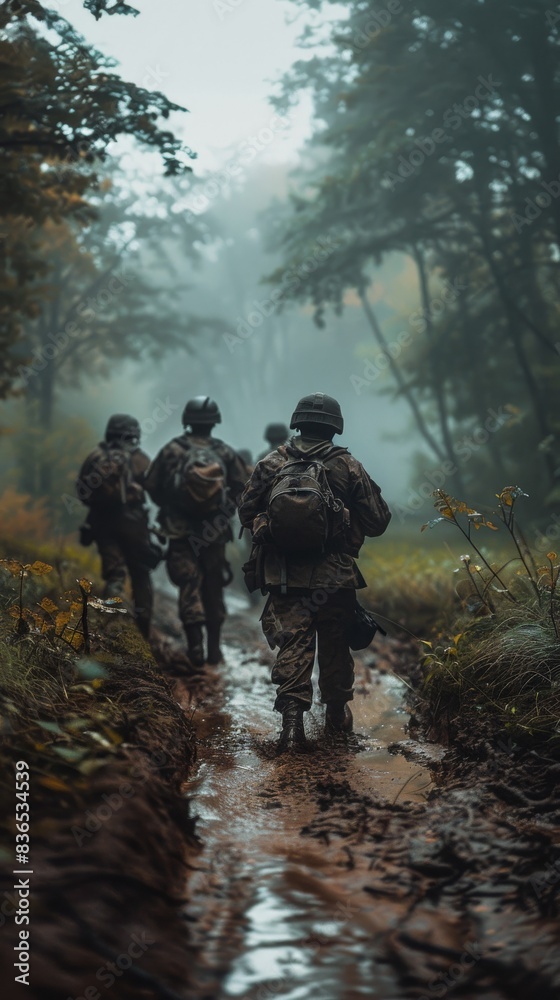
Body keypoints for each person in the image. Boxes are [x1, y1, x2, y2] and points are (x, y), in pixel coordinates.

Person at [238, 392, 391, 752]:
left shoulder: (272, 462)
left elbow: (245, 511)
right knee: (335, 645)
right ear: (335, 427)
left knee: (293, 644)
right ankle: (337, 714)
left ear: (297, 422)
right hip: (334, 576)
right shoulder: (348, 465)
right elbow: (379, 521)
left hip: (285, 575)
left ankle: (292, 726)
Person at [144, 396, 247, 667]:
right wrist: (224, 512)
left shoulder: (172, 450)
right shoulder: (224, 452)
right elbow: (243, 487)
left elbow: (151, 485)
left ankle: (196, 649)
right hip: (214, 534)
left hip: (179, 531)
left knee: (189, 586)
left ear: (187, 421)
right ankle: (215, 650)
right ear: (214, 422)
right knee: (213, 588)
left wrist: (170, 506)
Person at [77, 414, 156, 639]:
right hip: (135, 526)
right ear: (134, 435)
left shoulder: (95, 456)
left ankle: (110, 631)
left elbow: (82, 493)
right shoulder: (140, 459)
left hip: (102, 525)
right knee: (141, 576)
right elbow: (156, 490)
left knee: (115, 576)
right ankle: (143, 634)